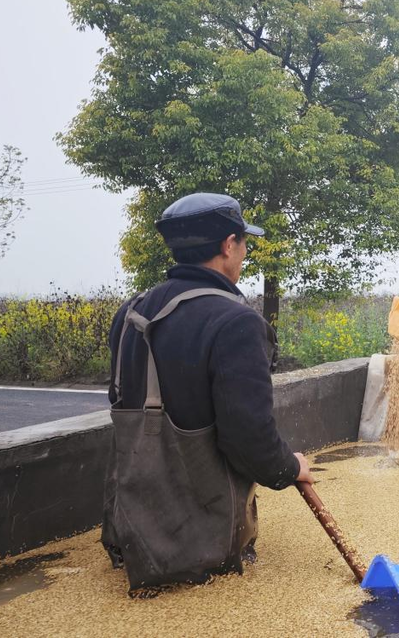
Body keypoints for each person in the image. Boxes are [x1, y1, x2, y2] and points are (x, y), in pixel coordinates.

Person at [101, 192, 313, 591]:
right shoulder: (236, 322)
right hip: (202, 551)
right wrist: (289, 467)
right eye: (244, 242)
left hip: (131, 536)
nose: (244, 252)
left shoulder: (132, 312)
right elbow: (248, 435)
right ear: (228, 245)